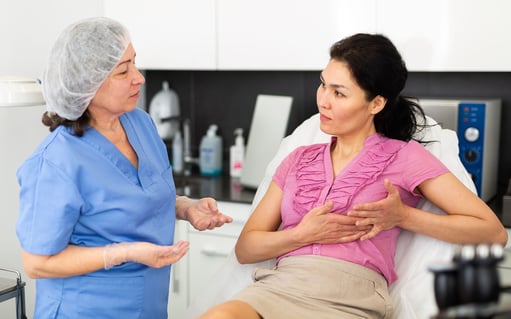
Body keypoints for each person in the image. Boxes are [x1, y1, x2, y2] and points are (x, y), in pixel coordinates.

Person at [198, 33, 508, 319]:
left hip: (349, 298)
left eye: (339, 93)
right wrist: (302, 235)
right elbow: (246, 249)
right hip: (279, 285)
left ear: (376, 103)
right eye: (323, 85)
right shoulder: (297, 159)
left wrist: (403, 216)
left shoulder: (405, 157)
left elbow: (493, 232)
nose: (323, 100)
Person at [15, 17, 232, 319]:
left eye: (135, 63)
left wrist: (185, 207)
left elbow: (132, 200)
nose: (139, 77)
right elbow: (37, 263)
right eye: (123, 71)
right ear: (88, 85)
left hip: (147, 307)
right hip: (84, 310)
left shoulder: (139, 123)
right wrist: (124, 253)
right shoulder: (55, 162)